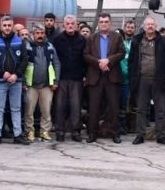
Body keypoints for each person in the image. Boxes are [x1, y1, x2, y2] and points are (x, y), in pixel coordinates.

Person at [83, 13, 125, 144]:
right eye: (101, 21)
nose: (103, 23)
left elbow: (122, 53)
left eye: (106, 21)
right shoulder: (91, 38)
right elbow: (85, 55)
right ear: (98, 23)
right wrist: (99, 63)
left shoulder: (117, 37)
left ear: (110, 23)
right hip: (95, 77)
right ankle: (92, 133)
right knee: (94, 107)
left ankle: (115, 133)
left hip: (112, 77)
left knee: (113, 107)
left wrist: (109, 61)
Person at [130, 17, 165, 145]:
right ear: (144, 26)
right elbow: (131, 60)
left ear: (156, 26)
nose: (150, 26)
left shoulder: (163, 41)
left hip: (159, 79)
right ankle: (140, 135)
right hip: (142, 79)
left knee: (160, 109)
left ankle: (160, 135)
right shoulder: (137, 40)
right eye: (148, 24)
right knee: (141, 108)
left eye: (152, 24)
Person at [0, 15, 29, 145]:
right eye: (4, 25)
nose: (7, 28)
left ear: (12, 26)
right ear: (1, 26)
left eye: (9, 25)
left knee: (16, 108)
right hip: (0, 81)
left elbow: (24, 60)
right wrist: (2, 74)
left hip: (16, 81)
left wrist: (16, 75)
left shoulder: (19, 41)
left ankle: (18, 135)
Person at [52, 15, 87, 143]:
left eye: (73, 23)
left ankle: (76, 131)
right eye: (68, 23)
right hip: (61, 78)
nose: (70, 25)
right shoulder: (57, 40)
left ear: (76, 25)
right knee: (60, 105)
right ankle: (60, 131)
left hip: (77, 78)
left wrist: (85, 74)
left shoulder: (82, 40)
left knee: (75, 106)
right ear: (64, 25)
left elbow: (85, 59)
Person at [24, 24, 60, 143]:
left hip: (46, 85)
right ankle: (30, 131)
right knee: (29, 110)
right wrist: (23, 81)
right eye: (37, 33)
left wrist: (55, 81)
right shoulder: (27, 46)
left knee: (46, 110)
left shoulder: (50, 46)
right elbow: (22, 64)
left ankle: (45, 132)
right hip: (31, 85)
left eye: (42, 33)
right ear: (33, 34)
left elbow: (56, 64)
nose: (40, 35)